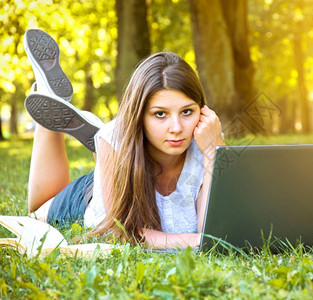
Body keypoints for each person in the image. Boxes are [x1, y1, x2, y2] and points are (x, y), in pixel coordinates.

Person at [24, 29, 225, 249]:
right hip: (89, 198)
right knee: (36, 211)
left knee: (116, 142)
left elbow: (215, 229)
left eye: (187, 112)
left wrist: (214, 152)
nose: (177, 128)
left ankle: (108, 144)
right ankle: (48, 95)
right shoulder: (116, 143)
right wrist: (193, 240)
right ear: (138, 117)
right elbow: (120, 232)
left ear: (203, 110)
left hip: (124, 163)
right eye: (160, 114)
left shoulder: (206, 140)